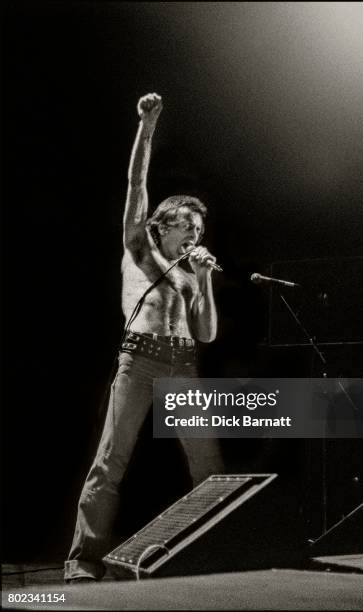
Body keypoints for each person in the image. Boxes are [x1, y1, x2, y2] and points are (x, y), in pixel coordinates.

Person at [64, 93, 223, 583]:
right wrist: (147, 125)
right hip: (141, 359)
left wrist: (207, 280)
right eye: (189, 222)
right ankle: (83, 559)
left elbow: (207, 334)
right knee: (111, 461)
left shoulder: (193, 274)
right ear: (165, 223)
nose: (197, 229)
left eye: (201, 225)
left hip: (184, 363)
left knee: (209, 469)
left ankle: (209, 551)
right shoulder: (139, 249)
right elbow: (136, 182)